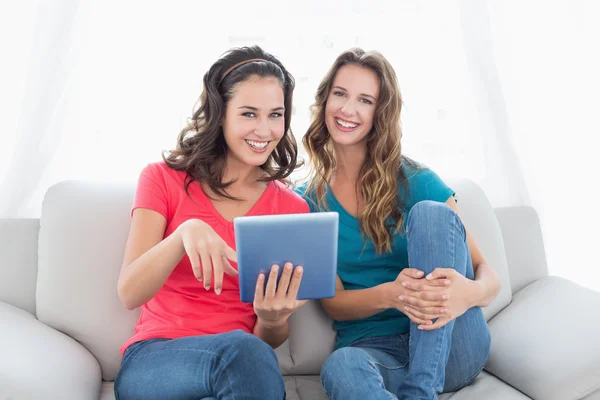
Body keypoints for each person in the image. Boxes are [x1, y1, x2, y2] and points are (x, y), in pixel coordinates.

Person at [295, 48, 501, 400]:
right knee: (340, 368)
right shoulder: (307, 201)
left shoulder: (414, 179)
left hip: (451, 342)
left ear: (380, 112)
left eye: (365, 100)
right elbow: (335, 303)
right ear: (325, 100)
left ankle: (422, 390)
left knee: (430, 213)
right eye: (340, 94)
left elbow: (488, 275)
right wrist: (394, 294)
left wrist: (467, 294)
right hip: (376, 349)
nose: (348, 109)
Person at [114, 45, 309, 400]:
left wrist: (270, 319)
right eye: (249, 114)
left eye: (275, 115)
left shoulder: (292, 208)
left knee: (248, 352)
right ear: (220, 116)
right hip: (156, 360)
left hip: (241, 370)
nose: (264, 130)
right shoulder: (162, 179)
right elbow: (129, 293)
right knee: (243, 352)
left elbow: (267, 340)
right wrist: (183, 234)